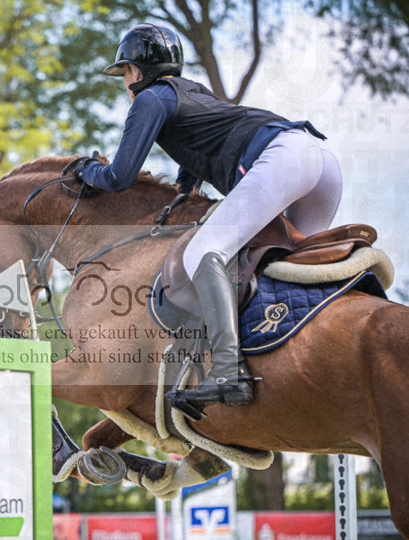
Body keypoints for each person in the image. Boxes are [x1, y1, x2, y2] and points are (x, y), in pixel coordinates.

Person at [73, 22, 343, 410]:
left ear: (136, 71)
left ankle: (227, 372)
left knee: (203, 253)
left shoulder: (149, 100)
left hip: (282, 159)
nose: (125, 82)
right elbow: (194, 162)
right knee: (293, 266)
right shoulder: (193, 93)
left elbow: (118, 177)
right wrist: (182, 194)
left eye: (125, 73)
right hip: (320, 161)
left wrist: (86, 170)